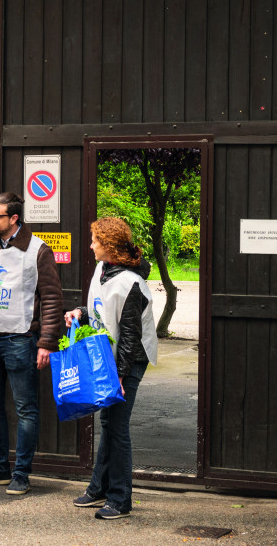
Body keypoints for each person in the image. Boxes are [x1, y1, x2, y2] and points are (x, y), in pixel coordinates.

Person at [0, 192, 63, 495]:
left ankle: (21, 473)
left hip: (21, 340)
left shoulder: (37, 250)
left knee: (26, 409)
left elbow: (51, 297)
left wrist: (46, 341)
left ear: (14, 219)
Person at [68, 217, 158, 520]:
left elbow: (131, 336)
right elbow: (98, 310)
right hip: (111, 356)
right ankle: (99, 488)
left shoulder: (131, 283)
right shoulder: (102, 270)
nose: (90, 245)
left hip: (129, 359)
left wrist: (118, 376)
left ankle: (120, 500)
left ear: (108, 245)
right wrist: (79, 312)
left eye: (95, 240)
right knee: (108, 422)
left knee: (117, 426)